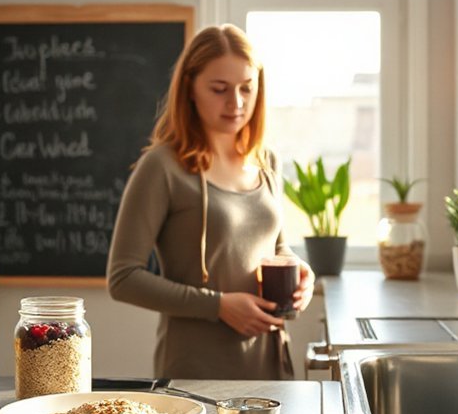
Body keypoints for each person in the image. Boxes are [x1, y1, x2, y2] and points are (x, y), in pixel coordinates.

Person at [107, 24, 315, 380]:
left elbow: (276, 247)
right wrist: (218, 306)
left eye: (246, 88)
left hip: (271, 367)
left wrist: (299, 271)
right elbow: (123, 278)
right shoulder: (161, 167)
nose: (236, 103)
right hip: (196, 374)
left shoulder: (266, 161)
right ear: (190, 88)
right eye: (219, 89)